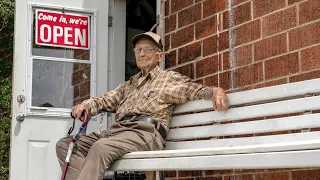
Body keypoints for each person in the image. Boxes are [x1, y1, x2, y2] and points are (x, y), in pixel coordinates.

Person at [56, 32, 229, 180]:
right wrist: (86, 105)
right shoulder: (129, 84)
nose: (142, 54)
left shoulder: (167, 79)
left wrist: (215, 91)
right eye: (138, 50)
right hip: (117, 133)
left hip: (145, 132)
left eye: (148, 49)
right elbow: (104, 100)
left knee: (100, 147)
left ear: (160, 56)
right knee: (66, 145)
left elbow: (192, 89)